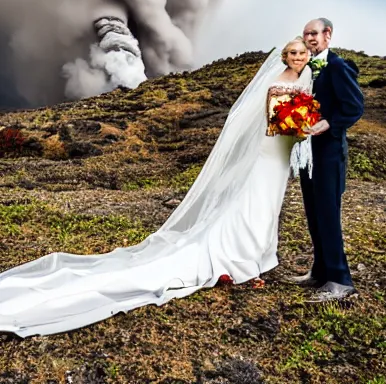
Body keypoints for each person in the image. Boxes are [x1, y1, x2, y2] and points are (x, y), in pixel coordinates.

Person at [0, 39, 312, 338]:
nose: (298, 57)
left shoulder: (304, 76)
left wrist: (303, 129)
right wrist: (300, 130)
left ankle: (255, 254)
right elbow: (277, 121)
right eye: (292, 52)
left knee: (267, 202)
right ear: (284, 55)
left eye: (302, 53)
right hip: (269, 152)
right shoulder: (279, 80)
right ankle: (240, 256)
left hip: (277, 155)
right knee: (254, 200)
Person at [289, 18, 364, 301]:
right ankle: (320, 271)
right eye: (306, 34)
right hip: (309, 153)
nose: (309, 38)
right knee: (314, 213)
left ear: (327, 35)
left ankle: (341, 281)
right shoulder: (305, 67)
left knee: (329, 216)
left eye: (314, 33)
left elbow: (354, 107)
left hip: (329, 152)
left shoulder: (337, 66)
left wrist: (329, 124)